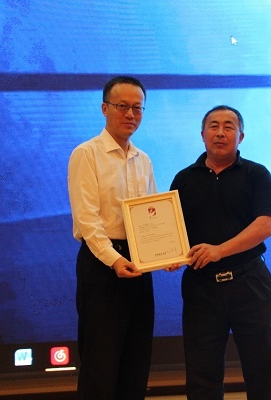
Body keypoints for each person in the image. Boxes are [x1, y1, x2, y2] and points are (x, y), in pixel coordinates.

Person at [170, 105, 271, 399]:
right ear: (202, 135)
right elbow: (171, 230)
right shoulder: (184, 179)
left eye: (229, 126)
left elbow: (265, 226)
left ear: (240, 136)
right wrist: (168, 255)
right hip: (201, 287)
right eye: (214, 126)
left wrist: (220, 250)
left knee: (261, 370)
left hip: (250, 282)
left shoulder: (257, 174)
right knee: (201, 374)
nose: (220, 133)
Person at [67, 76, 156, 399]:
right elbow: (87, 220)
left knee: (136, 358)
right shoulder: (86, 154)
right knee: (101, 363)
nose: (130, 114)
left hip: (139, 264)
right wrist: (115, 260)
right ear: (104, 108)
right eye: (122, 106)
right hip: (103, 265)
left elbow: (151, 216)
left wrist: (164, 253)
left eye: (137, 108)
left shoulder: (143, 159)